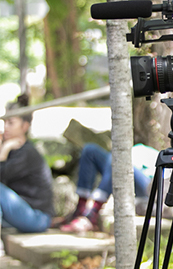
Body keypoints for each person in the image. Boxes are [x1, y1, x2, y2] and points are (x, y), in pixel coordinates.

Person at [60, 142, 157, 232]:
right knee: (90, 150)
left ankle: (92, 215)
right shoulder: (136, 148)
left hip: (148, 187)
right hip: (126, 168)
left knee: (116, 159)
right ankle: (80, 209)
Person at [0, 96, 54, 234]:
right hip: (21, 213)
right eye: (4, 122)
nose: (5, 127)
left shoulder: (27, 153)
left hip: (37, 218)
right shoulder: (13, 149)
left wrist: (3, 151)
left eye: (11, 123)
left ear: (25, 126)